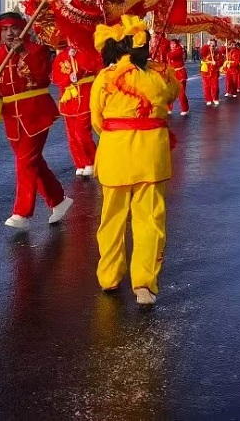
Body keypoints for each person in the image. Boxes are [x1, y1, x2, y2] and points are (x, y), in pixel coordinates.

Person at [90, 16, 180, 306]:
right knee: (150, 221)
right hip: (151, 157)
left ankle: (109, 277)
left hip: (115, 155)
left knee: (112, 218)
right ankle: (144, 285)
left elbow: (97, 120)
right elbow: (174, 95)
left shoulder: (105, 78)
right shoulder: (162, 74)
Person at [0, 11, 72, 230]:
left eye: (14, 28)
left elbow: (44, 78)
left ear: (23, 28)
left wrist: (24, 52)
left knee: (25, 162)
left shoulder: (38, 51)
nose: (10, 33)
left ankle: (22, 213)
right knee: (33, 162)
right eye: (5, 29)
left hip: (36, 111)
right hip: (11, 117)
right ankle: (59, 200)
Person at [52, 37, 101, 178]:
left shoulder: (89, 51)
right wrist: (67, 79)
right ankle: (80, 163)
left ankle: (92, 161)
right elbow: (56, 75)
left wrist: (80, 70)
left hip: (86, 94)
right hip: (68, 98)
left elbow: (96, 67)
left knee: (81, 132)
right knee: (72, 135)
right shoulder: (62, 55)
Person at [166, 37, 189, 116]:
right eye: (171, 44)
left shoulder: (179, 50)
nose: (172, 45)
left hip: (180, 73)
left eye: (174, 44)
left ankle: (185, 109)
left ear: (177, 44)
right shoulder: (169, 51)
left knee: (181, 92)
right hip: (171, 74)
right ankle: (168, 108)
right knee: (169, 92)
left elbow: (171, 56)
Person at [199, 39, 221, 106]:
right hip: (206, 71)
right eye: (210, 44)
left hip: (214, 71)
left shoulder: (218, 52)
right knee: (206, 86)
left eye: (213, 44)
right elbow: (201, 52)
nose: (212, 45)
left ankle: (215, 98)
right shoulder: (206, 50)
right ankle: (208, 99)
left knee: (215, 86)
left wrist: (216, 63)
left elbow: (221, 61)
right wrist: (206, 46)